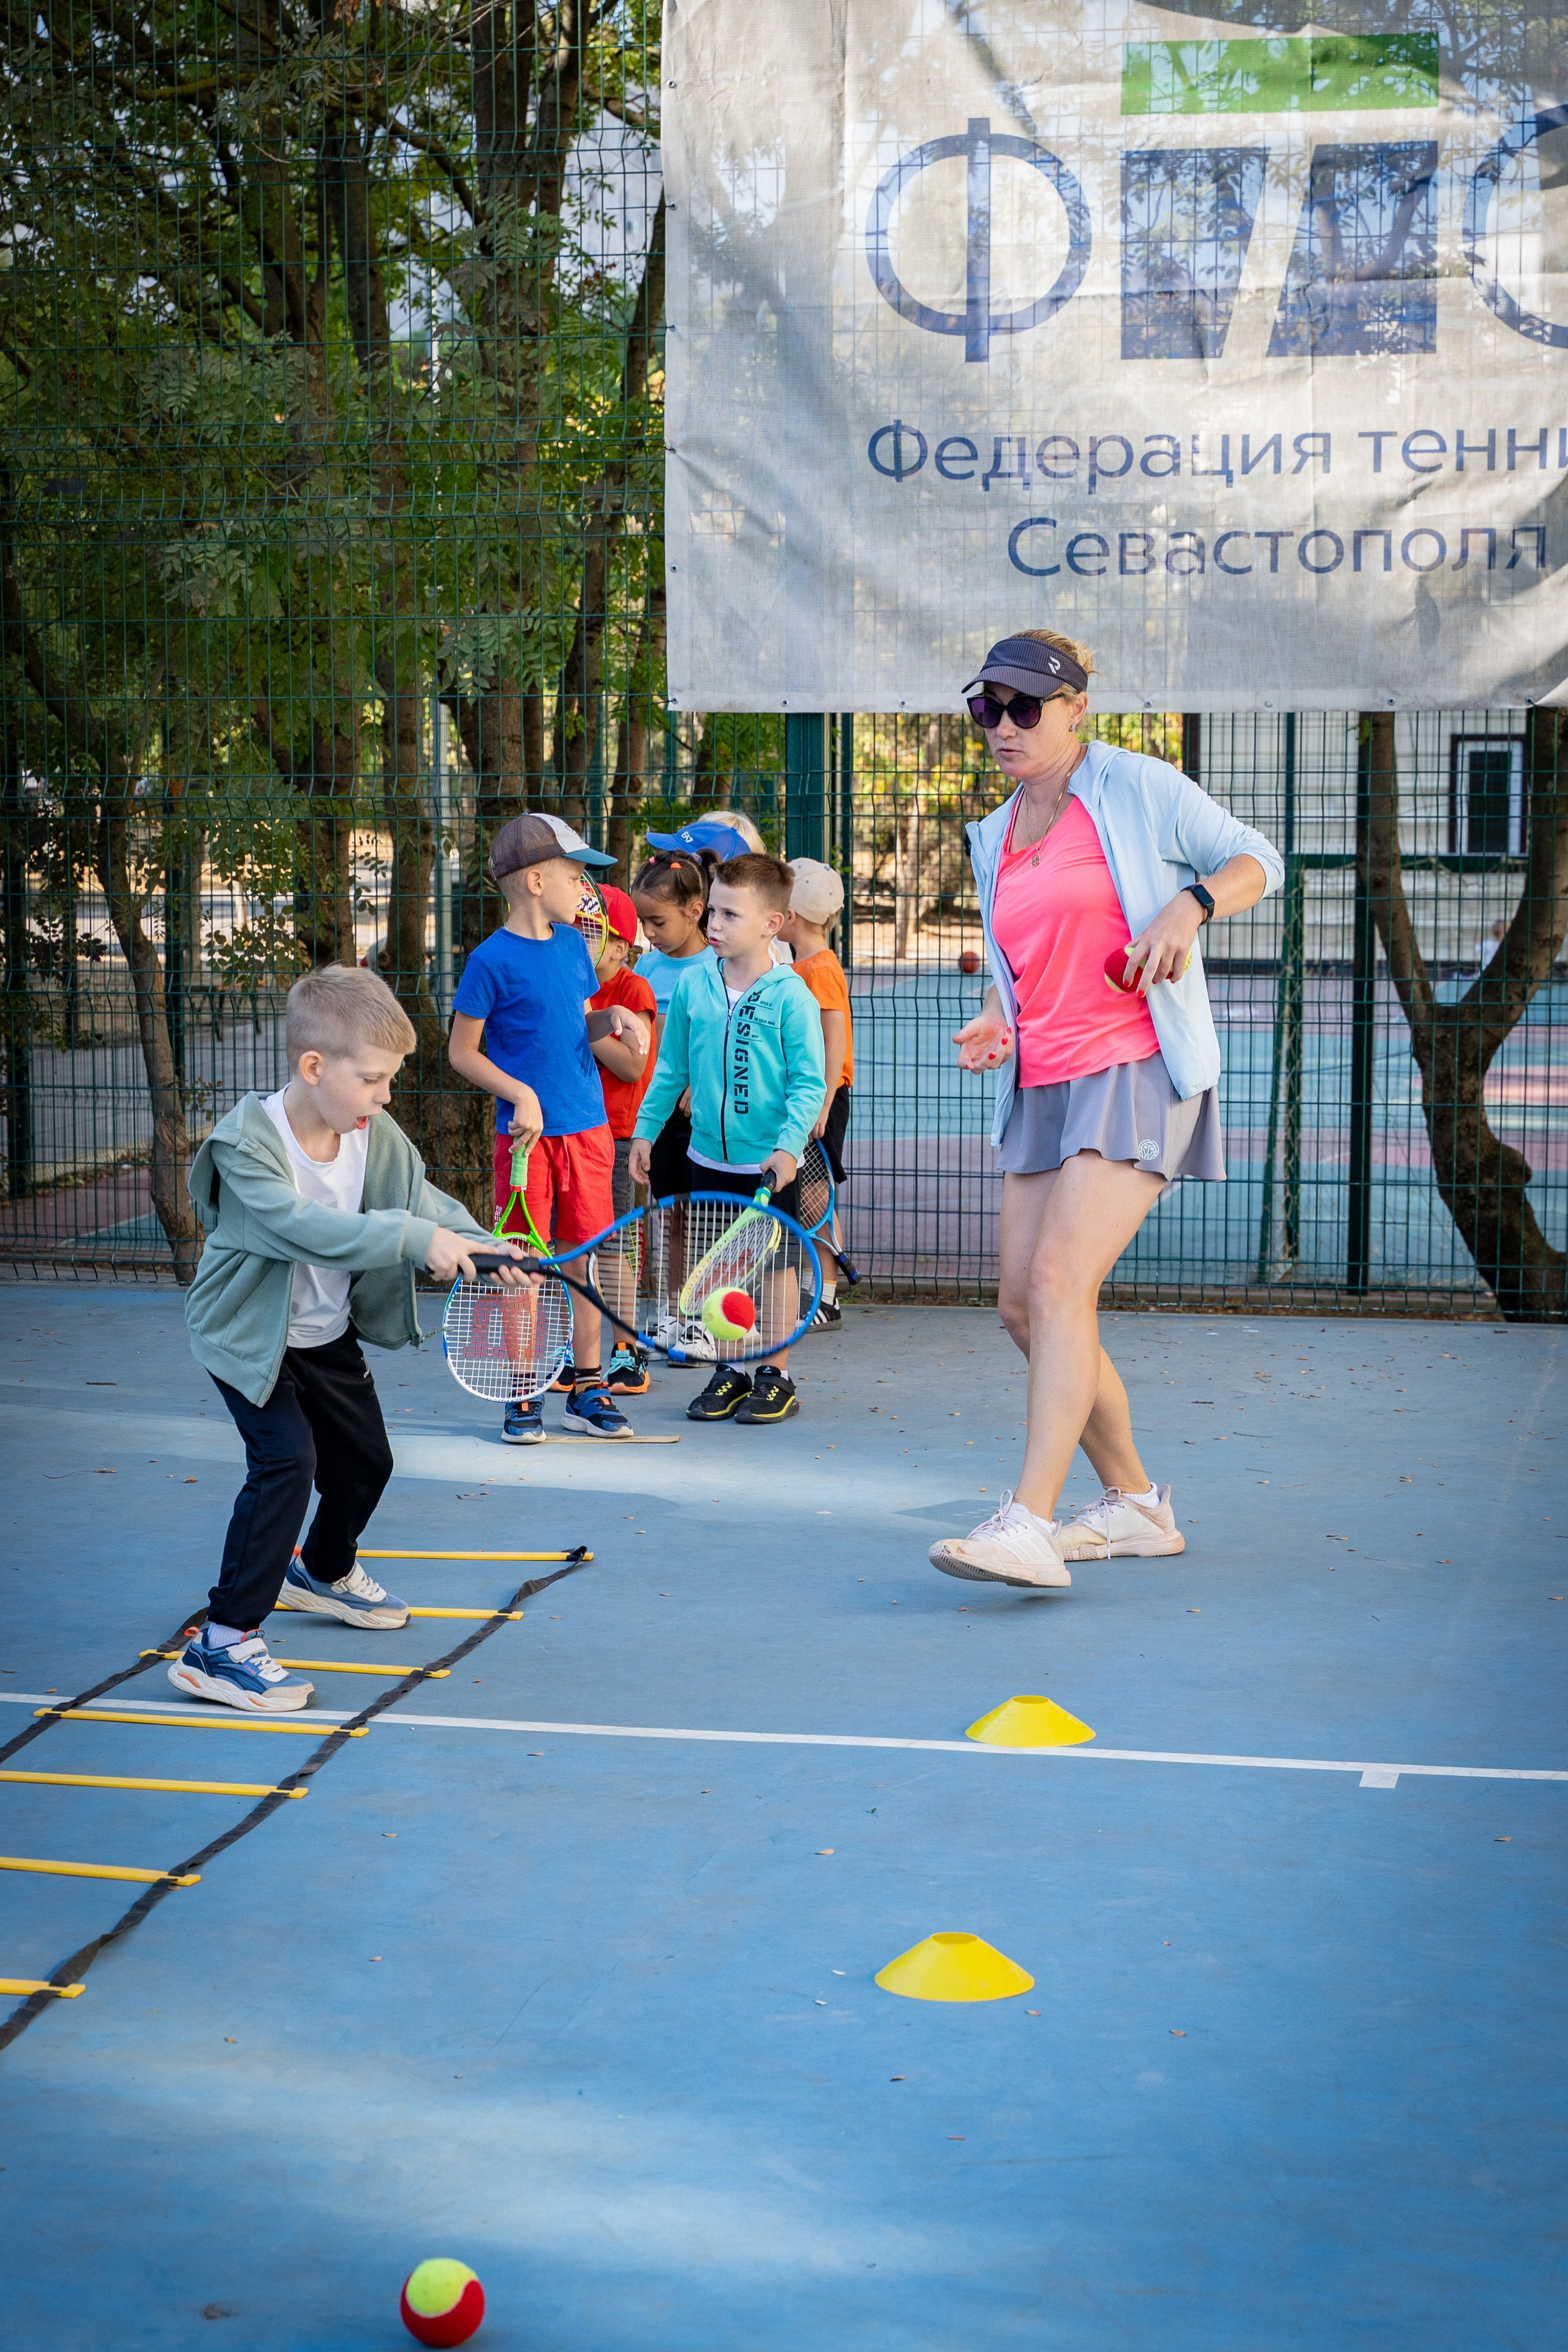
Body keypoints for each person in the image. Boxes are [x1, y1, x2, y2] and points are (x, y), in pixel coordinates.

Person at [927, 630, 1283, 1590]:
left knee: (1056, 1283)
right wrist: (998, 1016)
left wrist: (1190, 906)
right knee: (1021, 1309)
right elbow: (1027, 960)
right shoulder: (993, 835)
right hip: (1042, 1082)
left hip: (1135, 1068)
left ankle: (1029, 1522)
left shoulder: (1137, 786)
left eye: (1024, 707)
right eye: (986, 707)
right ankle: (1134, 1504)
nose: (1002, 725)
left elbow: (1259, 859)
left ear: (1077, 707)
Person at [173, 966, 532, 1713]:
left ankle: (324, 1570)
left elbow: (419, 1200)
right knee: (286, 1463)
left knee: (367, 1463)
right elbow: (306, 1229)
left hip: (324, 1334)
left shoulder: (371, 1131)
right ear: (314, 1067)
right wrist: (415, 1239)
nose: (385, 1096)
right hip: (249, 1337)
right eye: (372, 1079)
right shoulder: (249, 1146)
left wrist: (482, 1246)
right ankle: (223, 1642)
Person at [448, 813, 649, 1445]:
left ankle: (587, 1390)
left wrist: (612, 1014)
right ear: (536, 881)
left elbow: (575, 1026)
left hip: (589, 1133)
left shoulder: (572, 948)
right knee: (523, 1269)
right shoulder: (489, 962)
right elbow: (461, 1052)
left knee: (582, 1264)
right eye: (575, 875)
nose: (585, 889)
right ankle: (521, 1393)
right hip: (526, 1143)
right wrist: (519, 1094)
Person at [629, 852, 825, 1425]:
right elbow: (670, 1070)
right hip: (706, 1156)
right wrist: (646, 1130)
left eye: (730, 914)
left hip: (769, 1164)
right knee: (717, 1266)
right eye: (712, 911)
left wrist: (789, 1148)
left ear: (772, 923)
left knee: (777, 1268)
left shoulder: (792, 997)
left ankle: (774, 1373)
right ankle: (733, 1370)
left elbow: (808, 1082)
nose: (714, 925)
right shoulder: (694, 987)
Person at [586, 881, 657, 1395]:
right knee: (576, 1246)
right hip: (571, 1133)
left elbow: (633, 1066)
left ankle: (626, 1347)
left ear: (619, 946)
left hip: (617, 1137)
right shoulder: (568, 986)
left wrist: (586, 1025)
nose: (579, 941)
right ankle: (583, 1349)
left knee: (612, 1245)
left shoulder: (634, 992)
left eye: (591, 932)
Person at [778, 856, 854, 1327]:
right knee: (806, 1196)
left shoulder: (820, 968)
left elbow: (834, 1040)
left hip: (822, 1099)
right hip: (804, 1097)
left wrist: (822, 1104)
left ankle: (827, 1294)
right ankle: (818, 1288)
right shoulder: (797, 964)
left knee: (814, 1198)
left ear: (791, 915)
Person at [630, 846, 717, 1210]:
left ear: (695, 912)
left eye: (658, 922)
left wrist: (703, 1082)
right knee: (673, 1216)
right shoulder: (645, 967)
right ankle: (677, 1273)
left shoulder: (720, 964)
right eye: (642, 921)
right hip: (658, 1113)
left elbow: (727, 1036)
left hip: (700, 1116)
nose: (648, 932)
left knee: (710, 1219)